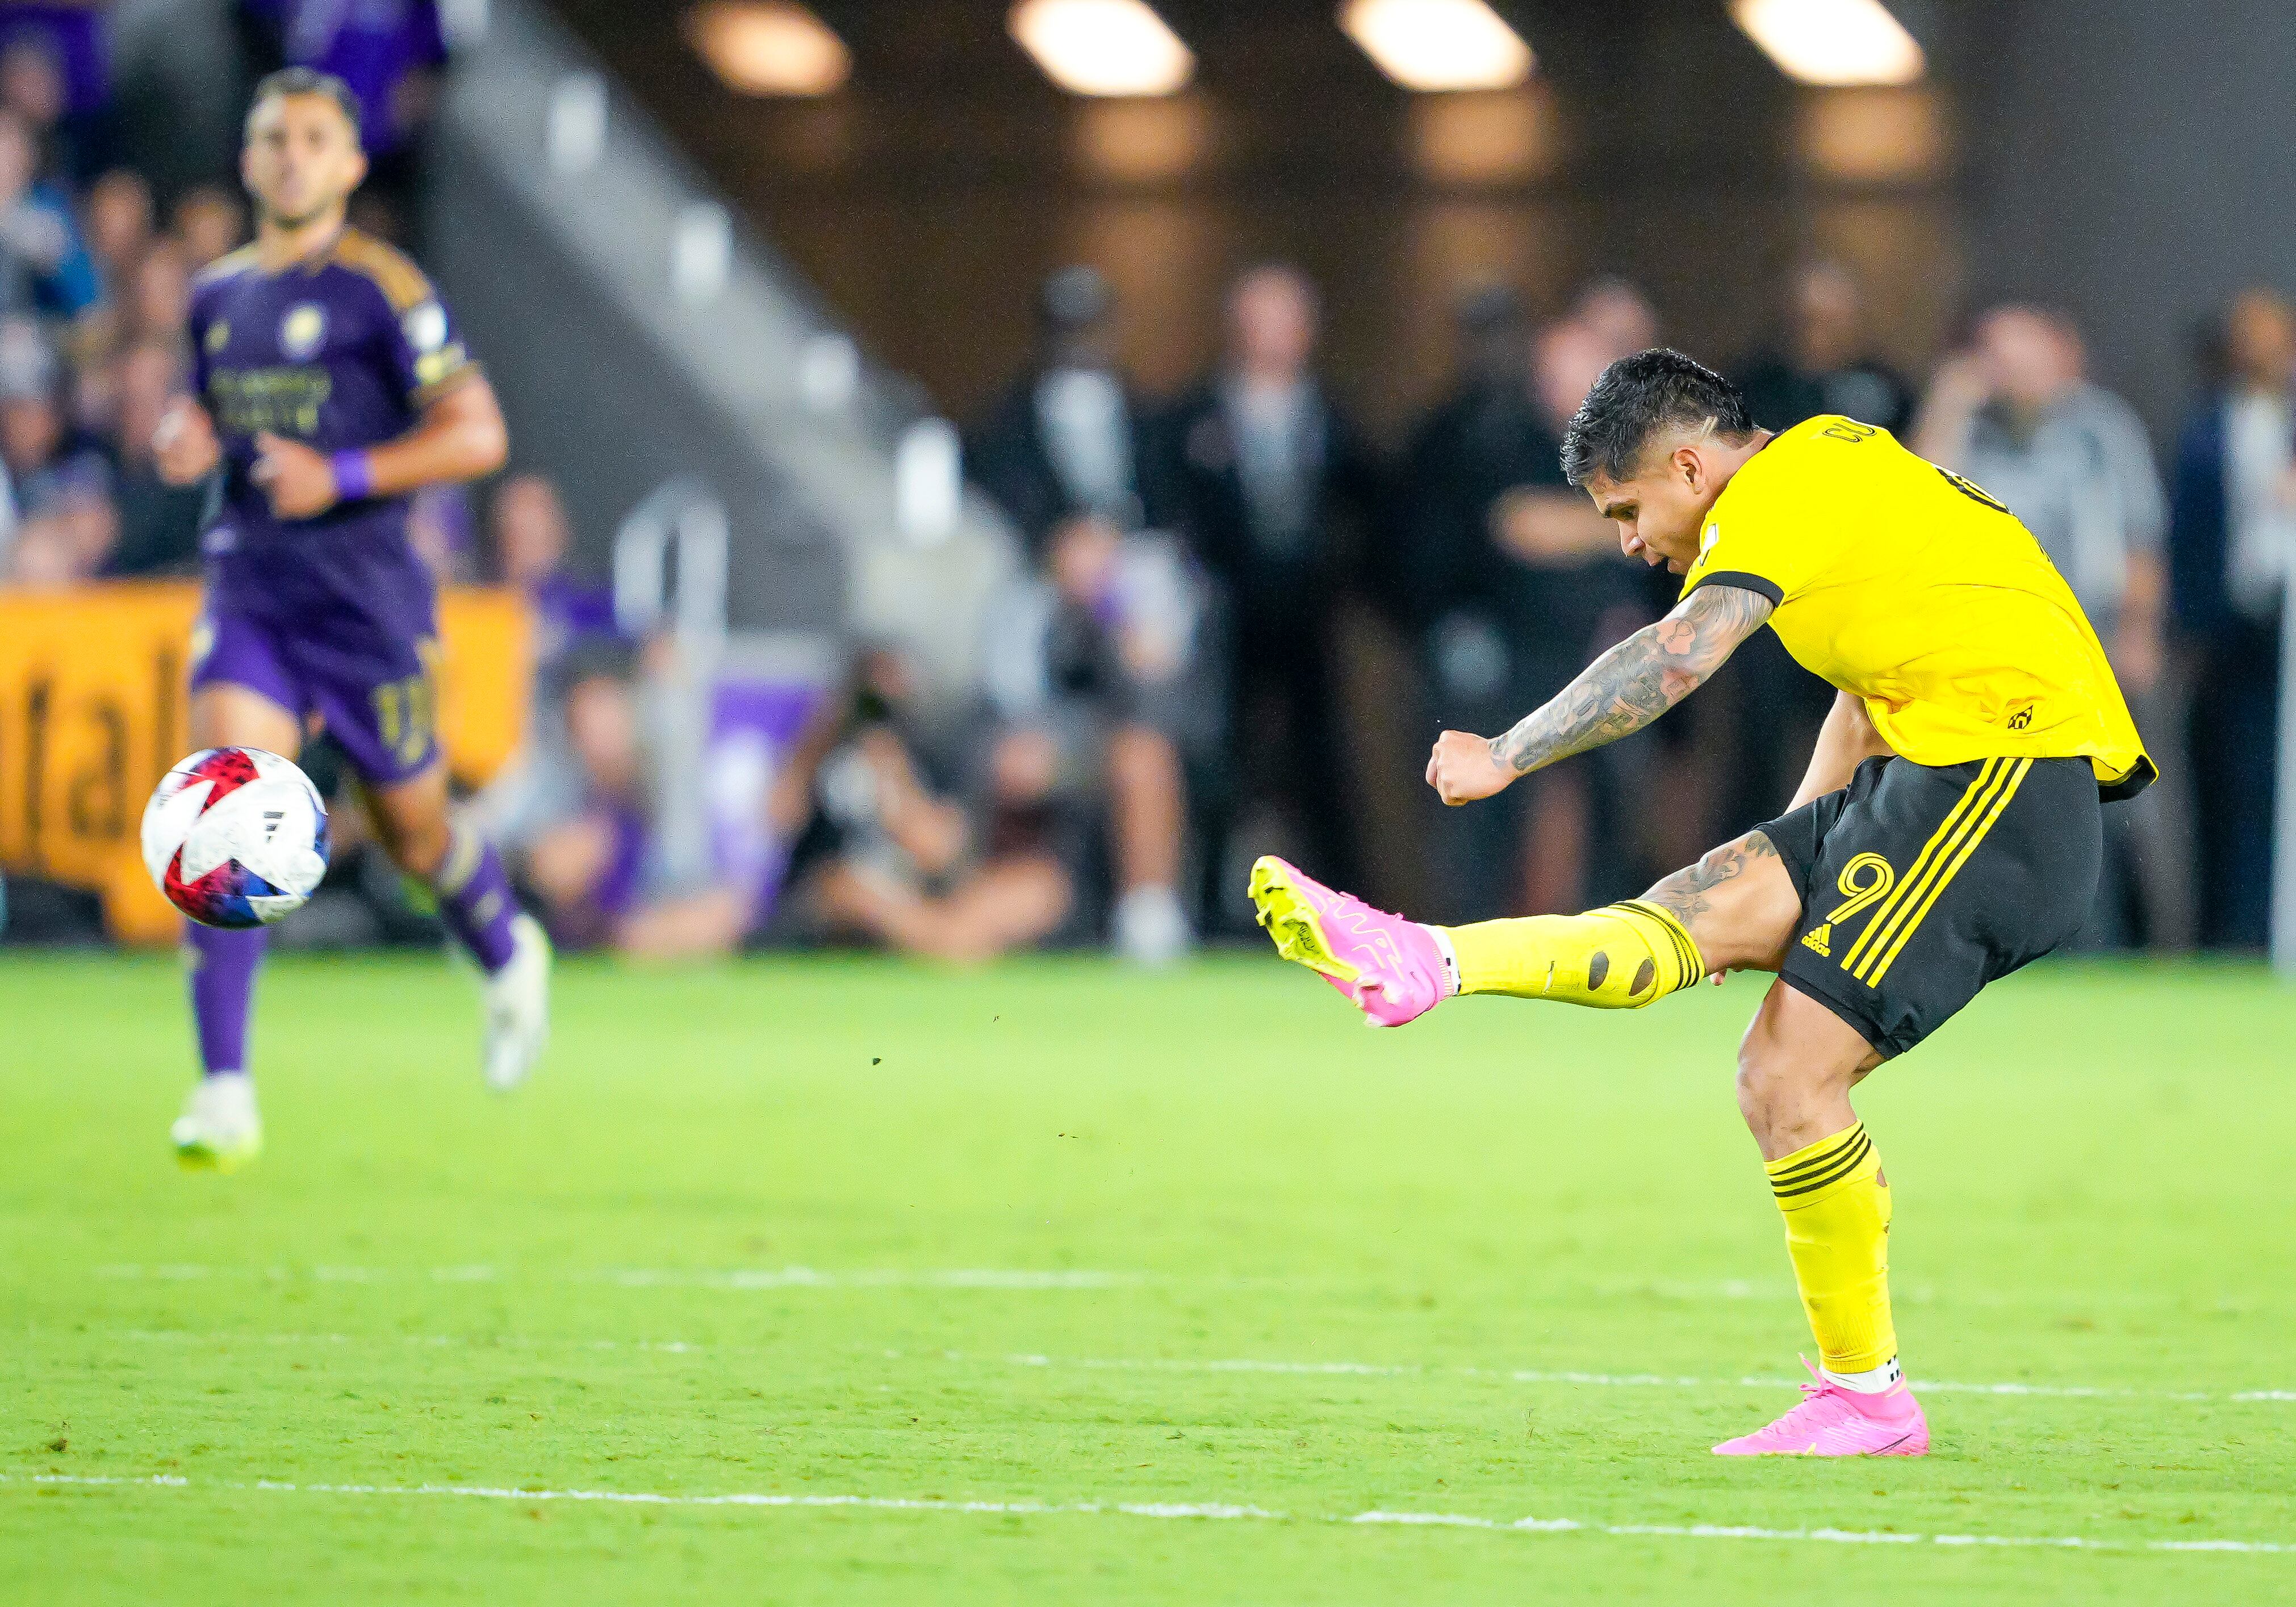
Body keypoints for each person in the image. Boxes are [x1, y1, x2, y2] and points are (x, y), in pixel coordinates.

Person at [1251, 351, 2151, 1457]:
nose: (1628, 541)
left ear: (1688, 464)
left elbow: (1675, 655)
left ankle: (1865, 1396)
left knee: (1784, 1074)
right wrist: (1785, 873)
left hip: (2002, 787)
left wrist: (1505, 749)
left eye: (1627, 510)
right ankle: (1428, 959)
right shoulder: (1830, 480)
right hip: (1930, 771)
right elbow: (1863, 707)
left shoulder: (1783, 488)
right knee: (1683, 921)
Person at [152, 69, 543, 1172]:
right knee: (224, 801)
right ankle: (223, 1086)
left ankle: (510, 956)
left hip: (367, 602)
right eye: (273, 136)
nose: (291, 156)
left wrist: (346, 473)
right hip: (253, 590)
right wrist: (188, 439)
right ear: (247, 156)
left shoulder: (384, 288)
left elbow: (477, 433)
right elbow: (212, 424)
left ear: (351, 164)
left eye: (314, 138)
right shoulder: (215, 297)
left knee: (418, 836)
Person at [1914, 304, 2180, 945]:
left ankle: (2156, 945)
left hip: (2096, 645)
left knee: (2132, 808)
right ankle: (2025, 943)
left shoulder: (2099, 427)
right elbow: (1918, 504)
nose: (2016, 375)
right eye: (2000, 362)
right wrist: (1947, 403)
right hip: (2000, 657)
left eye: (2028, 359)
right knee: (2020, 808)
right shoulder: (1973, 433)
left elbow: (2140, 538)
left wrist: (2137, 634)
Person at [1162, 263, 1383, 910]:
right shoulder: (1195, 418)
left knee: (1323, 773)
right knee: (1218, 770)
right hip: (1224, 626)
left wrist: (1342, 578)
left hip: (1308, 624)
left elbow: (1369, 510)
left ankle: (1355, 911)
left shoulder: (1332, 419)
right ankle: (1201, 911)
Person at [2168, 287, 2295, 949]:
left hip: (2290, 629)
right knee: (2225, 784)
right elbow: (2186, 535)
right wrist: (2186, 630)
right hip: (2230, 631)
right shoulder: (2207, 426)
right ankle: (2228, 934)